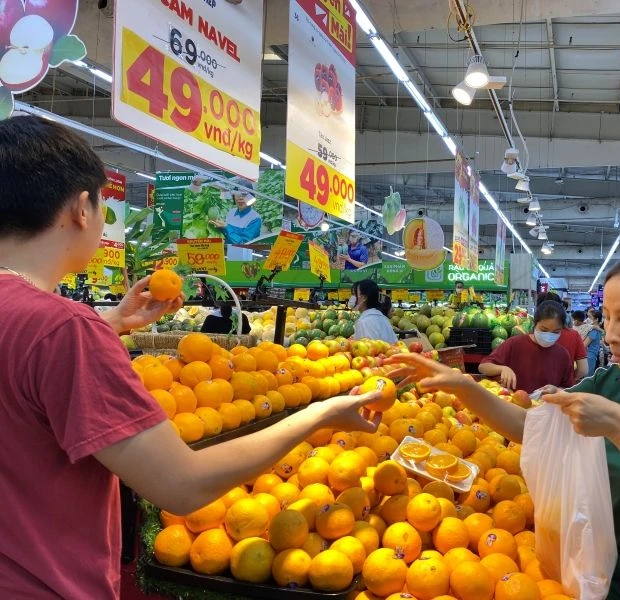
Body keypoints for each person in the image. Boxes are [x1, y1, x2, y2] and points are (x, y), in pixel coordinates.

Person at [0, 116, 382, 599]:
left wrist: (113, 322)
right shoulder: (63, 330)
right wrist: (319, 413)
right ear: (81, 208)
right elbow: (181, 484)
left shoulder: (59, 327)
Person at [387, 247, 620, 599]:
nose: (611, 335)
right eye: (610, 318)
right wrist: (463, 387)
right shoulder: (611, 382)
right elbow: (531, 428)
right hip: (592, 583)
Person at [478, 301, 574, 393]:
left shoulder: (562, 355)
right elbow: (483, 367)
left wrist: (556, 390)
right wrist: (502, 368)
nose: (549, 335)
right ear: (535, 324)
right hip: (512, 406)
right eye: (544, 330)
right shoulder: (515, 343)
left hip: (545, 407)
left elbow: (568, 389)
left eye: (556, 332)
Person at [350, 279, 397, 344]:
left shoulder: (364, 322)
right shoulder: (383, 319)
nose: (351, 298)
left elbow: (365, 350)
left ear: (364, 298)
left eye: (354, 294)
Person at [575, 309, 603, 376]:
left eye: (590, 317)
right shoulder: (593, 329)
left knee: (587, 378)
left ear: (596, 319)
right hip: (590, 356)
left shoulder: (594, 331)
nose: (587, 319)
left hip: (589, 356)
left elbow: (584, 345)